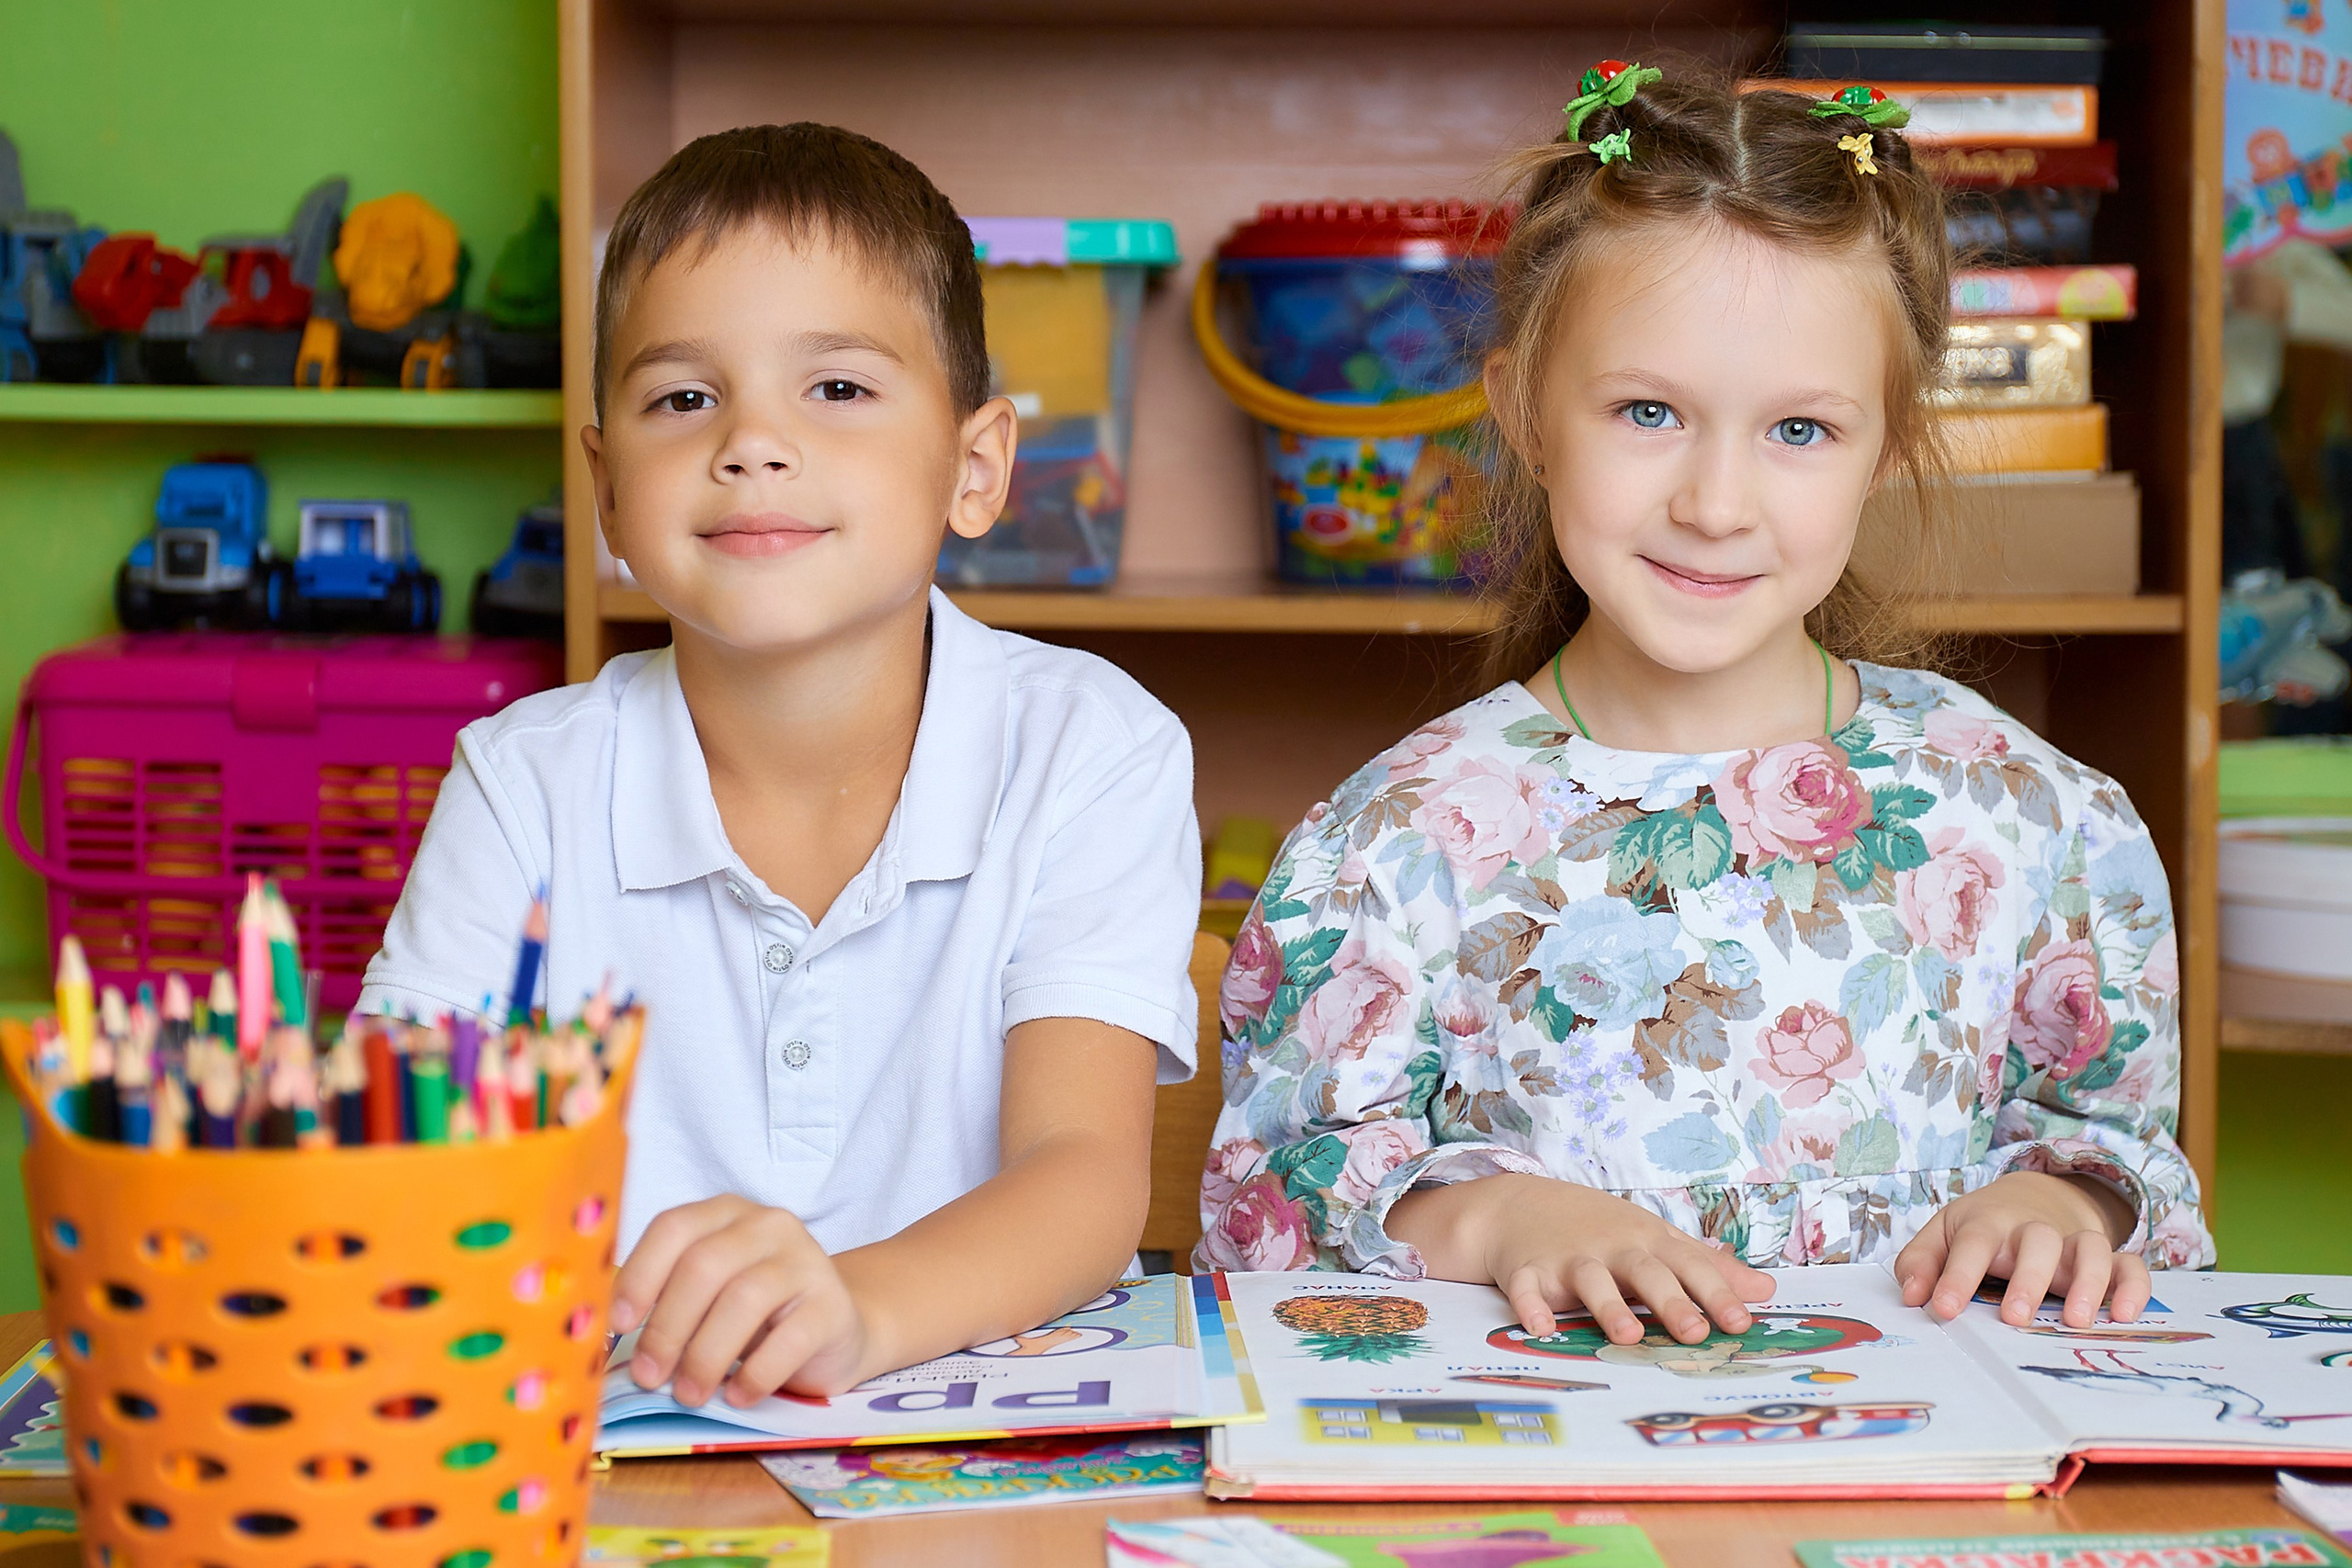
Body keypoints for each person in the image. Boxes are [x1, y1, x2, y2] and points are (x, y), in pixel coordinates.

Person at [1194, 65, 2212, 1347]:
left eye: (1800, 431)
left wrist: (2066, 1210)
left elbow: (2125, 1162)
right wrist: (1501, 1220)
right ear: (1523, 411)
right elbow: (1263, 1212)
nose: (1717, 502)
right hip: (1552, 1500)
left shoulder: (2035, 821)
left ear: (1886, 447)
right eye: (1649, 412)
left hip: (1931, 1493)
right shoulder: (1393, 842)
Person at [360, 124, 1200, 1404]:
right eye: (683, 397)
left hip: (969, 1454)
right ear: (605, 488)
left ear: (977, 467)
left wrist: (853, 1309)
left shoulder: (1093, 748)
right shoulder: (520, 782)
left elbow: (1081, 1175)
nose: (751, 442)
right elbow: (397, 1153)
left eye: (838, 389)